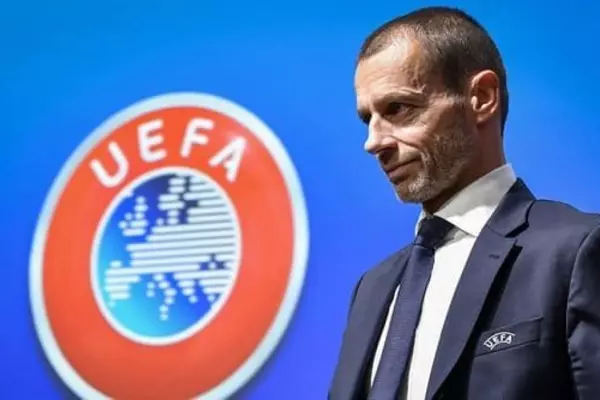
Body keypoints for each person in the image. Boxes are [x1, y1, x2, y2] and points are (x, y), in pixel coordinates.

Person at [329, 6, 600, 400]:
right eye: (367, 118)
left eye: (398, 109)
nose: (373, 142)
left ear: (482, 98)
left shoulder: (576, 251)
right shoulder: (372, 288)